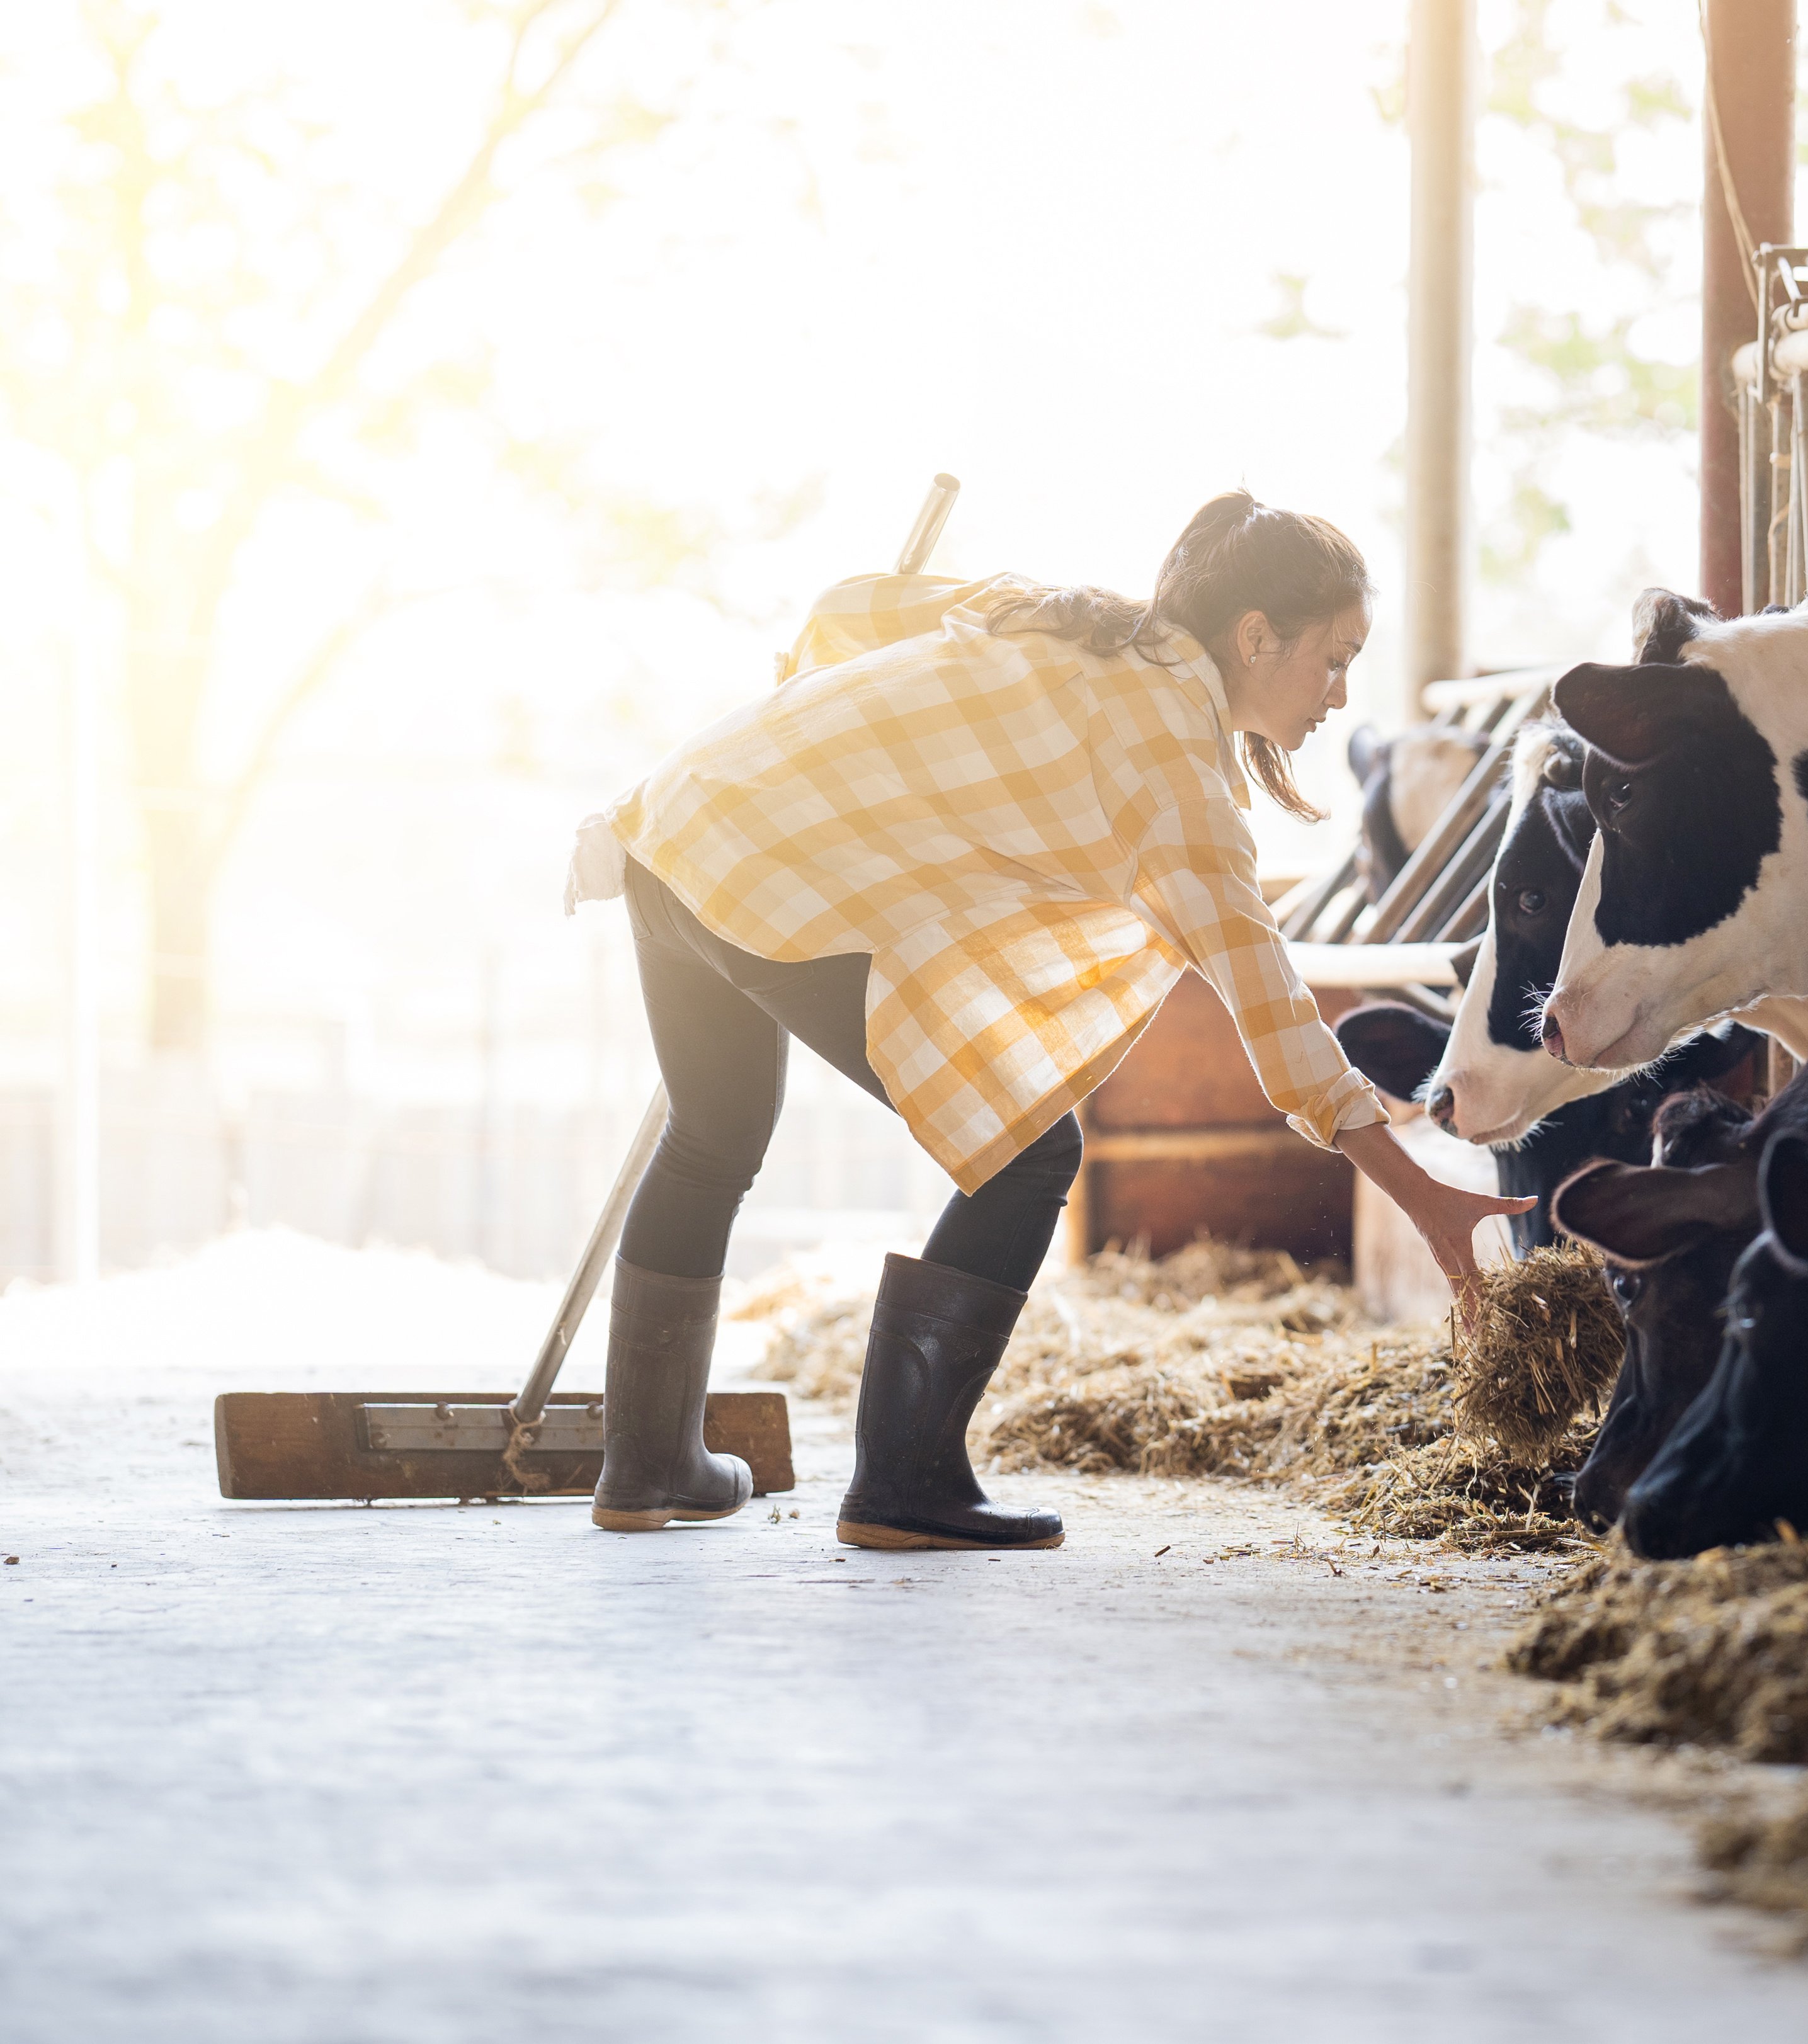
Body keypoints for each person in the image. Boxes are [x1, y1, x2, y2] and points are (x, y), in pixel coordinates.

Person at [577, 491, 1530, 1550]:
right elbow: (1273, 1008)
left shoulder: (1067, 617)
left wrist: (808, 736)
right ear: (1255, 636)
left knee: (710, 1137)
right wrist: (1424, 1195)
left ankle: (648, 1467)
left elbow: (857, 607)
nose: (1342, 693)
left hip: (675, 819)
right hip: (767, 875)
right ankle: (904, 1482)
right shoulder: (1176, 768)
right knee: (1034, 1150)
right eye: (1335, 657)